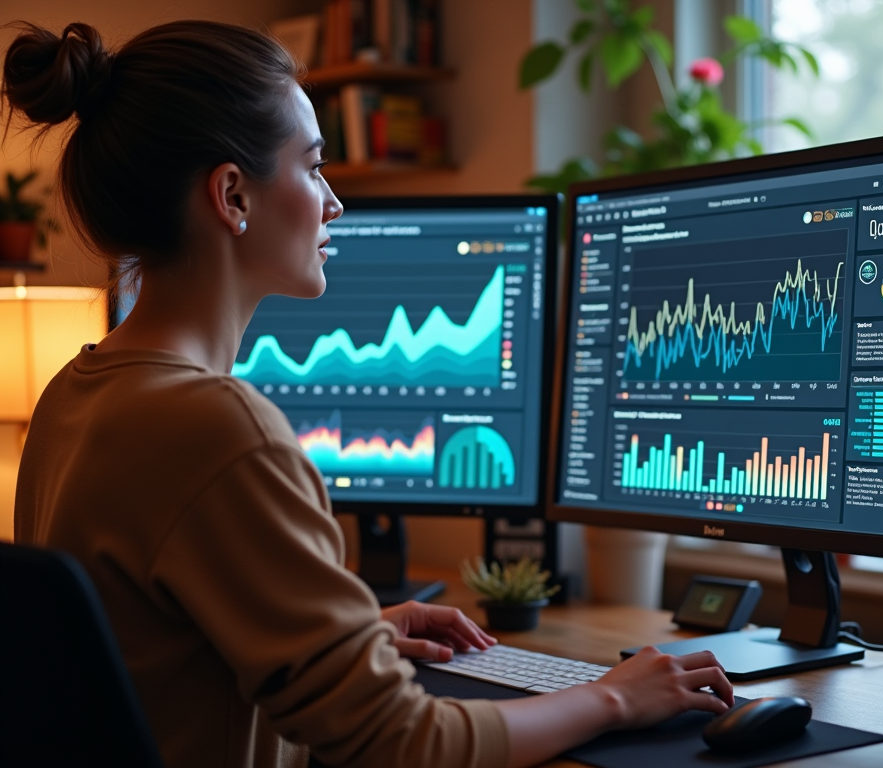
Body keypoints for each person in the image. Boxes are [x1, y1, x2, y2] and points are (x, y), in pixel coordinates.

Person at [4, 20, 733, 768]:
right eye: (314, 167)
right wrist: (613, 697)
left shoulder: (76, 394)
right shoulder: (219, 428)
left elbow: (152, 654)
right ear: (231, 196)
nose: (334, 202)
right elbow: (404, 744)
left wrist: (355, 636)